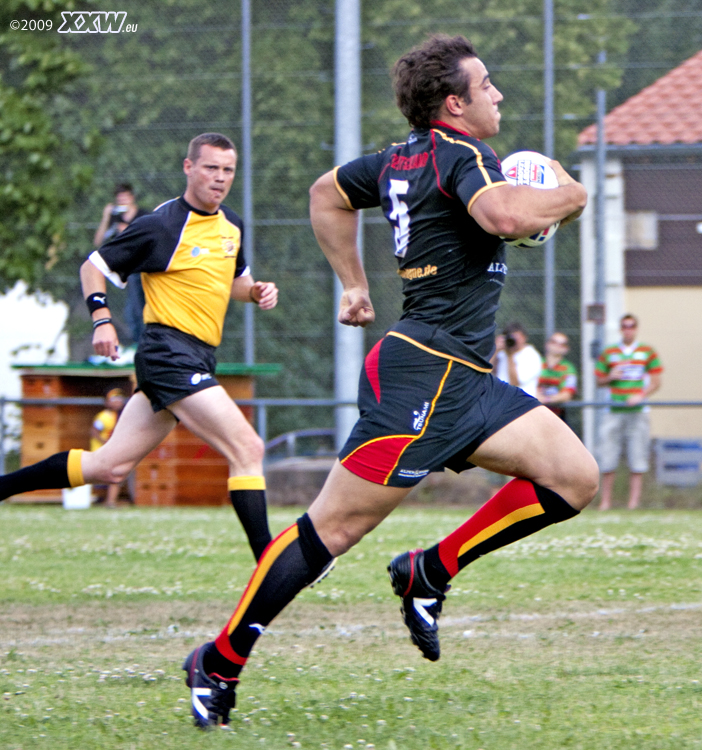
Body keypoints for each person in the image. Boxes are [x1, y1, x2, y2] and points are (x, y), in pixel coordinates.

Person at [181, 35, 598, 729]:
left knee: (574, 477)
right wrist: (571, 193)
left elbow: (327, 193)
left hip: (466, 377)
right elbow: (504, 217)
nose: (498, 94)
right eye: (486, 85)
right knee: (333, 528)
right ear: (454, 104)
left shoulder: (403, 157)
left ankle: (429, 571)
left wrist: (355, 285)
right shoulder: (464, 154)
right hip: (423, 374)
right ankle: (218, 662)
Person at [0, 132, 279, 564]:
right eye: (210, 168)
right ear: (189, 168)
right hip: (169, 353)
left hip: (198, 355)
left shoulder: (232, 226)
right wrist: (102, 319)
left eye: (228, 170)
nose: (220, 178)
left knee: (108, 466)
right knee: (249, 449)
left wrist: (256, 291)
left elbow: (235, 282)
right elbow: (92, 267)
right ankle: (271, 562)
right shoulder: (161, 225)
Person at [595, 314, 663, 510]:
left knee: (637, 456)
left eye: (631, 326)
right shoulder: (609, 352)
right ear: (620, 329)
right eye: (624, 326)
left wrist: (640, 396)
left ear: (636, 329)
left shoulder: (647, 351)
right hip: (613, 410)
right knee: (608, 456)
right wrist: (610, 377)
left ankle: (633, 503)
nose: (628, 329)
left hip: (638, 411)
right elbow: (599, 380)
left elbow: (656, 382)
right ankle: (605, 502)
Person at [94, 183, 149, 345]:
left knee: (139, 310)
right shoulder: (115, 218)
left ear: (132, 197)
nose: (122, 200)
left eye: (125, 197)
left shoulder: (143, 215)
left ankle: (144, 343)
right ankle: (138, 343)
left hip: (142, 267)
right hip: (125, 270)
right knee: (130, 313)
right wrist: (106, 217)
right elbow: (98, 241)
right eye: (119, 198)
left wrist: (128, 230)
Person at [90, 387, 128, 507]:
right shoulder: (104, 416)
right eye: (114, 399)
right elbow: (94, 431)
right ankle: (108, 501)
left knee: (115, 475)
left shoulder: (121, 416)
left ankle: (110, 501)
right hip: (102, 451)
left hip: (112, 452)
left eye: (119, 398)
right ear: (107, 402)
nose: (117, 401)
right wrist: (107, 443)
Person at [493, 321, 543, 397]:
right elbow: (489, 372)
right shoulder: (502, 353)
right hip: (501, 397)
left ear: (524, 337)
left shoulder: (532, 356)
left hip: (521, 399)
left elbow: (514, 383)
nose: (514, 341)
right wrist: (495, 350)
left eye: (516, 338)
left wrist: (510, 356)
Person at [537, 331, 578, 421]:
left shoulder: (569, 368)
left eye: (562, 344)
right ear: (547, 344)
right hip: (535, 413)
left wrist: (546, 399)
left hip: (557, 416)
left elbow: (567, 395)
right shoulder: (536, 363)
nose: (557, 346)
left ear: (566, 349)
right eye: (554, 342)